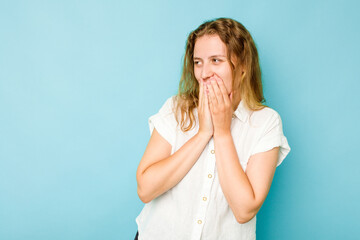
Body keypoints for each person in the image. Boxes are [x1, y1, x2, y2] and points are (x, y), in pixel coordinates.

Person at [135, 17, 291, 240]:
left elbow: (244, 210)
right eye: (198, 62)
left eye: (216, 60)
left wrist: (222, 131)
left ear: (243, 67)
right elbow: (145, 189)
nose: (204, 73)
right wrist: (203, 133)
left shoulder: (266, 123)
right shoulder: (176, 108)